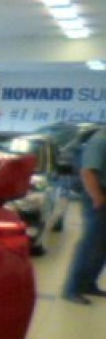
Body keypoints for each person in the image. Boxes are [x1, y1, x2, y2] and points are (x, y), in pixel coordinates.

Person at [61, 127, 106, 305]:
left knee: (102, 244)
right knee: (90, 243)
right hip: (98, 194)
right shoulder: (100, 141)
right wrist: (97, 197)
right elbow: (87, 171)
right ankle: (71, 289)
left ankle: (89, 284)